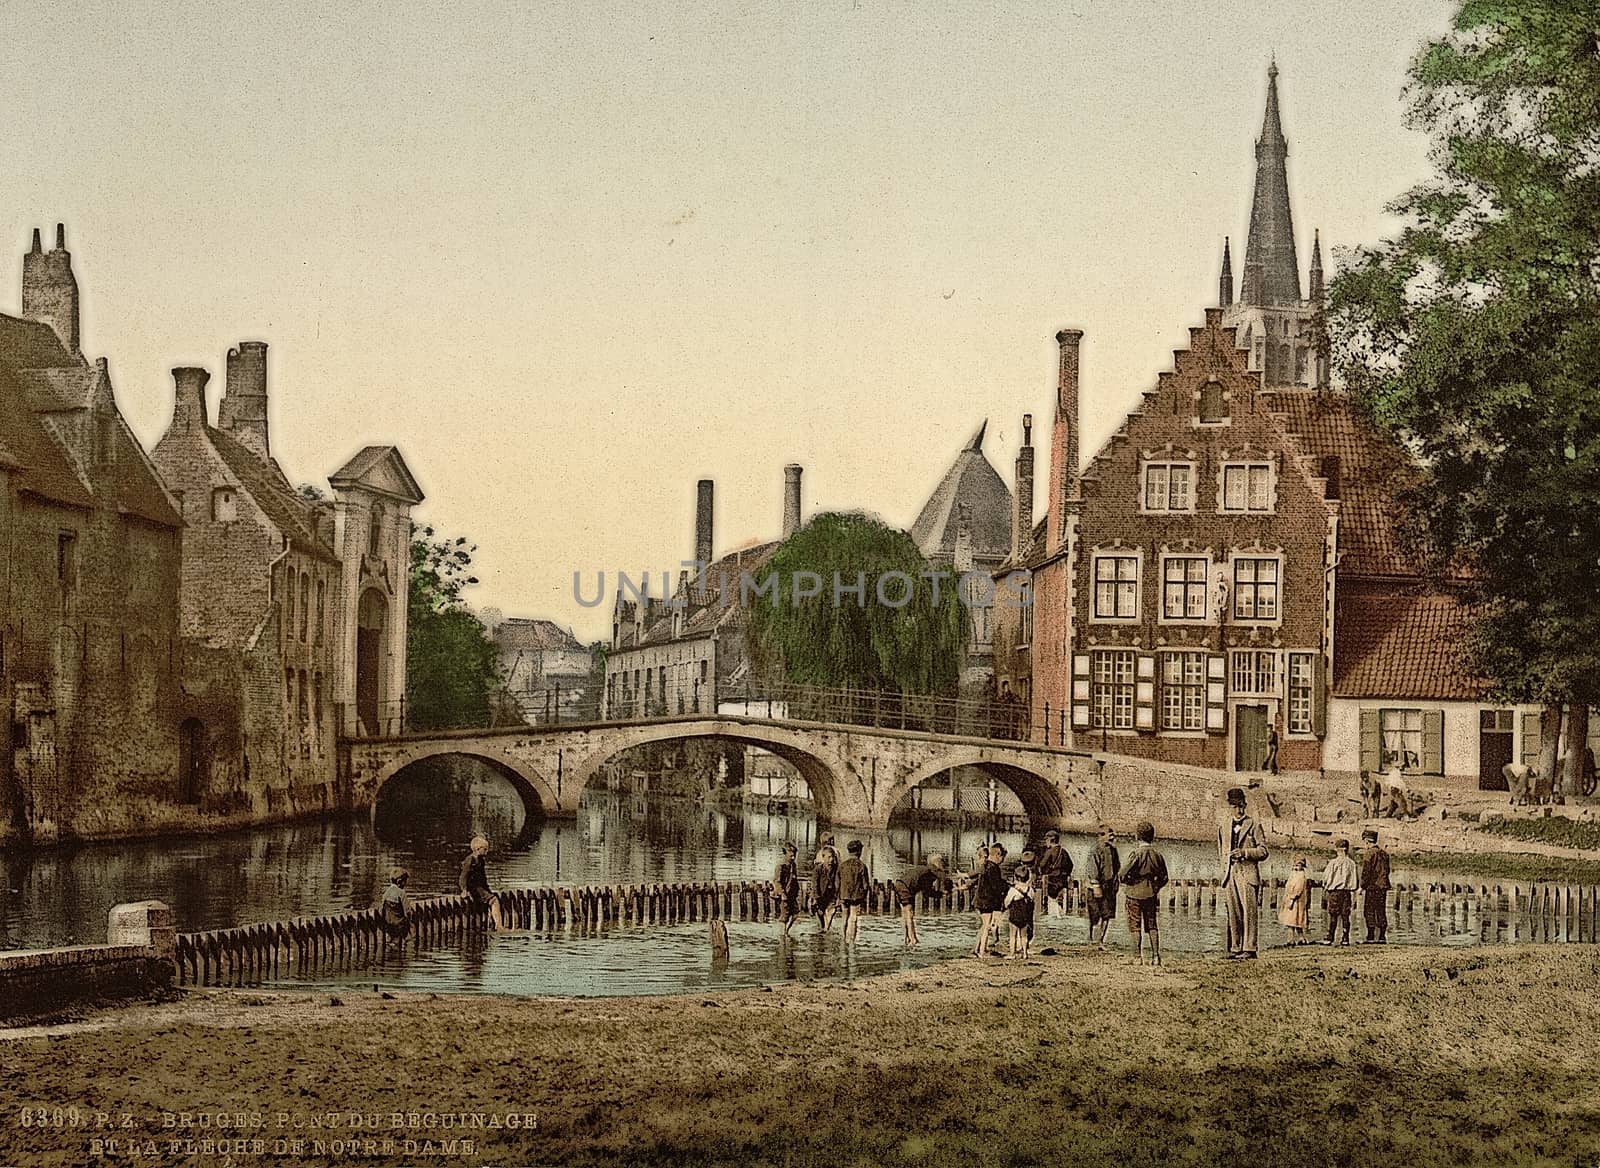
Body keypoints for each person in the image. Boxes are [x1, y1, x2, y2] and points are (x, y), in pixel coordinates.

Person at [1218, 787, 1268, 959]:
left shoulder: (1254, 825)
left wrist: (1245, 853)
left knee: (1249, 912)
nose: (1239, 810)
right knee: (1234, 912)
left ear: (1245, 806)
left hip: (1247, 873)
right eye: (1235, 807)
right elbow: (1221, 851)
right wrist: (1225, 869)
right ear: (1229, 807)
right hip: (1230, 873)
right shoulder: (1223, 826)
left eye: (1241, 806)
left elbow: (1263, 851)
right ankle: (1235, 947)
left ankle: (1250, 948)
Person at [1119, 821, 1168, 967]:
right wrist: (1155, 887)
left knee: (1135, 925)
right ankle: (1156, 956)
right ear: (1152, 837)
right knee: (1152, 925)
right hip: (1150, 893)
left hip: (1134, 893)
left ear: (1137, 836)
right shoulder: (1157, 855)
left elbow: (1122, 874)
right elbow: (1164, 877)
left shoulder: (1136, 854)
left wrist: (1128, 881)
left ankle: (1137, 957)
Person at [894, 854, 949, 947]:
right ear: (938, 863)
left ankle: (908, 938)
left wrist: (939, 894)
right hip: (906, 886)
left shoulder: (926, 871)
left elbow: (927, 891)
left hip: (900, 883)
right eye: (943, 864)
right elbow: (939, 880)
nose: (944, 867)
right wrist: (943, 892)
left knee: (905, 914)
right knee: (909, 913)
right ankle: (912, 940)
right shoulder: (932, 870)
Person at [1086, 824, 1121, 950]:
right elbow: (1092, 869)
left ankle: (1101, 941)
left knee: (1107, 915)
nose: (1112, 837)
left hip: (1109, 887)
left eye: (1112, 834)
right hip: (1096, 887)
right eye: (1109, 834)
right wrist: (1096, 885)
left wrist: (1116, 882)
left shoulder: (1113, 850)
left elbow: (1117, 867)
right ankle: (1091, 939)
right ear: (1101, 836)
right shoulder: (1095, 850)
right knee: (1094, 915)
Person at [459, 835, 503, 929]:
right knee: (494, 901)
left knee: (492, 898)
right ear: (478, 849)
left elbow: (483, 877)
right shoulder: (470, 860)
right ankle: (499, 926)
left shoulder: (481, 861)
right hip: (473, 887)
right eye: (485, 849)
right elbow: (463, 877)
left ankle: (492, 923)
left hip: (480, 887)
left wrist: (487, 889)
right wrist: (464, 890)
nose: (487, 852)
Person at [1321, 839, 1357, 946]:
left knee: (1333, 915)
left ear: (1338, 850)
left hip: (1335, 892)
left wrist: (1326, 886)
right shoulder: (1351, 863)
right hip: (1346, 892)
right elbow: (1354, 880)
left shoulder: (1333, 863)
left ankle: (1330, 936)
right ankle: (1345, 937)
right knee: (1345, 915)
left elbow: (1326, 878)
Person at [973, 844, 1008, 958]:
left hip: (980, 899)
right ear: (998, 855)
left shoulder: (986, 865)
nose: (1002, 861)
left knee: (984, 925)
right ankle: (982, 951)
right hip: (987, 901)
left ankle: (976, 948)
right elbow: (996, 886)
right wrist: (1007, 887)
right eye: (1002, 857)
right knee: (987, 926)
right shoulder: (993, 868)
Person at [1359, 828, 1392, 943]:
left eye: (1365, 842)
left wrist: (1362, 886)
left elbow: (1366, 872)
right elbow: (1387, 870)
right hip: (1383, 886)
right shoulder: (1384, 854)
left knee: (1369, 910)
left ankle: (1371, 936)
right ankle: (1382, 936)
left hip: (1373, 887)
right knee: (1381, 910)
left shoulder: (1369, 854)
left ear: (1367, 841)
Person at [838, 839, 871, 945]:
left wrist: (838, 894)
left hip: (844, 894)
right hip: (856, 896)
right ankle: (852, 940)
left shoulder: (842, 865)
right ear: (860, 851)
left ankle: (843, 938)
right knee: (853, 918)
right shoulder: (862, 866)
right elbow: (865, 884)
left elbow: (837, 881)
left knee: (844, 917)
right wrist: (865, 895)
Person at [1037, 830, 1072, 918]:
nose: (1046, 842)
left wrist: (1042, 873)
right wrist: (1066, 874)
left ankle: (1047, 910)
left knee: (1049, 900)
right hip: (1062, 881)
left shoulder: (1049, 851)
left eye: (1046, 840)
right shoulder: (1063, 851)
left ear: (1051, 840)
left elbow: (1042, 865)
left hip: (1051, 881)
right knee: (1059, 902)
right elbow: (1071, 865)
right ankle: (1059, 910)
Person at [1004, 866, 1035, 958]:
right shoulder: (1030, 890)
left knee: (1013, 936)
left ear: (1016, 878)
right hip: (1025, 916)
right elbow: (1032, 900)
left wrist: (1006, 906)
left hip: (1014, 916)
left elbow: (1007, 901)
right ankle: (1025, 953)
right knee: (1024, 936)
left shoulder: (1013, 890)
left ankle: (1012, 954)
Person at [1277, 856, 1310, 944]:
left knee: (1292, 922)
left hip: (1296, 901)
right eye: (1295, 865)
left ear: (1302, 866)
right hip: (1290, 898)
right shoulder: (1293, 874)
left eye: (1298, 865)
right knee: (1294, 921)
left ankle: (1290, 940)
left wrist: (1292, 898)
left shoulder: (1301, 876)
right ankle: (1301, 938)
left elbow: (1298, 889)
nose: (1296, 867)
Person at [811, 835, 840, 932]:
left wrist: (837, 895)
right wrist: (816, 897)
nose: (831, 860)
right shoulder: (818, 869)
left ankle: (826, 930)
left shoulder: (835, 868)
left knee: (831, 913)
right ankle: (822, 929)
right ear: (823, 858)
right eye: (829, 857)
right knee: (820, 914)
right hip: (820, 894)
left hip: (830, 894)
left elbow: (837, 881)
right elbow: (815, 883)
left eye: (832, 857)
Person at [773, 843, 801, 938]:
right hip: (784, 894)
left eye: (794, 856)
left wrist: (797, 890)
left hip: (792, 894)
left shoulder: (793, 865)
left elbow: (794, 879)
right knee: (785, 915)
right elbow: (777, 881)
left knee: (795, 914)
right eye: (791, 856)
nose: (793, 858)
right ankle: (783, 933)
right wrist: (782, 893)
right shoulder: (781, 866)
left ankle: (787, 931)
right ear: (785, 854)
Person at [380, 867, 410, 941]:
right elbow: (407, 911)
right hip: (399, 925)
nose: (406, 884)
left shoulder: (386, 893)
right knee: (409, 939)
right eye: (405, 881)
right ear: (399, 882)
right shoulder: (401, 893)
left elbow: (382, 909)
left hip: (389, 925)